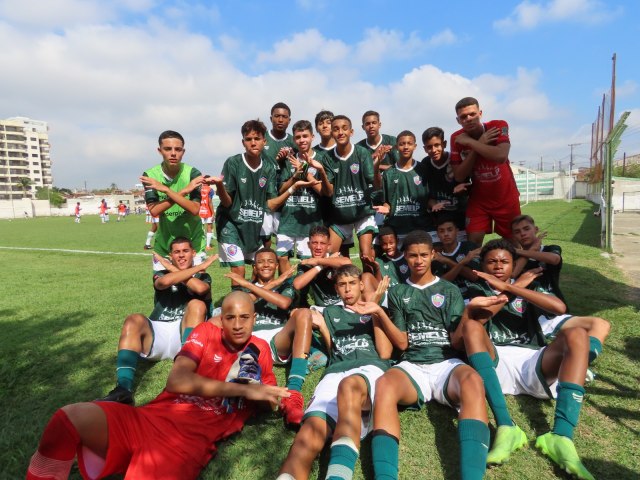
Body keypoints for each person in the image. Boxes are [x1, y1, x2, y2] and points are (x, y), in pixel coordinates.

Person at [26, 291, 288, 480]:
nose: (238, 324)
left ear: (254, 318)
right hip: (145, 419)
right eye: (230, 317)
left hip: (182, 445)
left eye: (245, 317)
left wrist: (260, 391)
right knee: (68, 419)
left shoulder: (261, 350)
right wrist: (241, 389)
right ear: (221, 319)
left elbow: (268, 401)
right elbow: (177, 381)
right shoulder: (206, 332)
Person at [457, 239, 596, 479]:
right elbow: (472, 326)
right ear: (483, 265)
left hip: (533, 361)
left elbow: (559, 307)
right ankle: (506, 426)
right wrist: (503, 292)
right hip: (495, 361)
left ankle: (561, 436)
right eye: (492, 261)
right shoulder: (476, 290)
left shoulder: (527, 287)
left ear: (513, 265)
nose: (498, 266)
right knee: (470, 327)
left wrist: (513, 288)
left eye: (504, 262)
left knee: (577, 333)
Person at [371, 230, 494, 480]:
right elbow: (403, 343)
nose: (418, 261)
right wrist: (380, 313)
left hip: (446, 362)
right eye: (413, 256)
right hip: (412, 365)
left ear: (433, 255)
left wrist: (470, 314)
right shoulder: (397, 293)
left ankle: (473, 475)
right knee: (383, 384)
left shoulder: (449, 290)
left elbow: (456, 342)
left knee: (472, 381)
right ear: (405, 257)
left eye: (424, 255)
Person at [277, 265, 396, 480]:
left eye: (352, 283)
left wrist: (375, 310)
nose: (348, 289)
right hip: (335, 372)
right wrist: (323, 328)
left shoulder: (376, 310)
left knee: (349, 386)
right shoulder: (331, 312)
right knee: (309, 431)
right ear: (337, 289)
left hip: (368, 369)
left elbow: (385, 353)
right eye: (342, 285)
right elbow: (336, 350)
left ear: (361, 285)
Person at [100, 237, 215, 405]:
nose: (181, 255)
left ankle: (185, 373)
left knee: (197, 304)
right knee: (133, 319)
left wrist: (190, 269)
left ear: (193, 253)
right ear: (171, 255)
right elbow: (165, 282)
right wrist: (181, 268)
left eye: (185, 251)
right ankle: (123, 390)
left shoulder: (203, 277)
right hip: (158, 333)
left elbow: (200, 289)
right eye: (177, 252)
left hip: (186, 337)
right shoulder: (161, 273)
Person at [209, 120, 315, 285]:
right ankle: (236, 308)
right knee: (238, 269)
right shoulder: (233, 163)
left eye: (257, 138)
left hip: (253, 226)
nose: (253, 142)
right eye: (248, 139)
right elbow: (227, 202)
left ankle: (251, 305)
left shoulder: (269, 168)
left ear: (264, 141)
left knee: (258, 272)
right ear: (243, 142)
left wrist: (293, 187)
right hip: (230, 225)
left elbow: (271, 205)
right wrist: (219, 187)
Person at [221, 247, 314, 428]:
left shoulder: (286, 285)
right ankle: (241, 393)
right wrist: (252, 285)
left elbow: (284, 302)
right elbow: (239, 304)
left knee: (303, 313)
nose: (265, 265)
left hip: (277, 339)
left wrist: (253, 286)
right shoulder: (241, 286)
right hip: (250, 341)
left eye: (270, 261)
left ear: (277, 265)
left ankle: (293, 393)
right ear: (254, 267)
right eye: (260, 261)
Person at [510, 215, 610, 361]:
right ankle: (575, 362)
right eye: (517, 232)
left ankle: (583, 360)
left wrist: (522, 251)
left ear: (535, 230)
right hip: (526, 315)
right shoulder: (512, 258)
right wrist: (528, 250)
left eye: (526, 229)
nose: (522, 234)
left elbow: (554, 259)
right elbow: (513, 273)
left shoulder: (551, 249)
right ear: (513, 236)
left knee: (600, 324)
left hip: (553, 312)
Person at [449, 97, 520, 246]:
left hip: (506, 197)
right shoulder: (456, 138)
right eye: (463, 117)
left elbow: (501, 156)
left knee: (513, 242)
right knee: (472, 243)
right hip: (479, 200)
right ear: (458, 120)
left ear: (480, 113)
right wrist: (478, 145)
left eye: (472, 114)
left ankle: (519, 269)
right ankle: (476, 270)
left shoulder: (497, 126)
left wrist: (470, 143)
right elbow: (460, 175)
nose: (468, 119)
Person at [140, 130, 206, 268]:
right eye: (168, 149)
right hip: (164, 246)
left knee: (199, 289)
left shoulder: (192, 173)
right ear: (160, 151)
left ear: (183, 151)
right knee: (164, 287)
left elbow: (194, 209)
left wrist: (166, 190)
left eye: (178, 149)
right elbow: (154, 210)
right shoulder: (150, 175)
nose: (173, 153)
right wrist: (182, 192)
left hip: (193, 245)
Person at [323, 114, 381, 264]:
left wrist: (376, 167)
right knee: (331, 256)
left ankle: (371, 286)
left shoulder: (362, 153)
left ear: (352, 132)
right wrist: (322, 172)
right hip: (340, 215)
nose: (340, 132)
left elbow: (375, 185)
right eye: (336, 129)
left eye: (344, 128)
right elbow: (328, 192)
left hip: (362, 212)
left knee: (366, 255)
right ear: (332, 133)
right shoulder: (327, 157)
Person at [276, 119, 331, 273]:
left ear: (312, 136)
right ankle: (287, 292)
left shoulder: (321, 159)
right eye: (298, 137)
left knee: (307, 264)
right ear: (294, 139)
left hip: (311, 222)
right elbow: (281, 190)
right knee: (281, 258)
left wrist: (305, 172)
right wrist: (295, 176)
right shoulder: (288, 160)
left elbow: (323, 192)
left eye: (305, 136)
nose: (302, 140)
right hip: (288, 220)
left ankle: (302, 295)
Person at [374, 130, 436, 245]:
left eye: (409, 143)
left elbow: (429, 198)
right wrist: (386, 209)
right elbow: (387, 202)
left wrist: (435, 204)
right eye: (402, 144)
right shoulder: (389, 173)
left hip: (422, 227)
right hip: (398, 229)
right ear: (396, 147)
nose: (406, 147)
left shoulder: (423, 169)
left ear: (415, 146)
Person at [422, 126, 470, 239]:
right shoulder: (425, 164)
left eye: (437, 145)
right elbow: (423, 193)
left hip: (460, 219)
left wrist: (465, 189)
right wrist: (433, 204)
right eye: (429, 147)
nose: (433, 150)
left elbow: (474, 183)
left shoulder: (457, 159)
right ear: (424, 149)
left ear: (444, 144)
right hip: (437, 221)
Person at [261, 102, 297, 249]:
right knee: (265, 237)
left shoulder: (294, 141)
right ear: (271, 118)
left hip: (287, 195)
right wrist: (277, 161)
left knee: (284, 243)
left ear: (289, 120)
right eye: (277, 116)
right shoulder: (261, 139)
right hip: (266, 195)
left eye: (284, 117)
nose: (280, 120)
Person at [431, 216, 481, 298]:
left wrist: (448, 261)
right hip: (452, 300)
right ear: (438, 235)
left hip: (474, 297)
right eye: (442, 231)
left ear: (457, 231)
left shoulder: (469, 247)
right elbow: (440, 284)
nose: (446, 234)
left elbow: (474, 277)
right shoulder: (436, 258)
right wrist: (463, 262)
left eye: (450, 230)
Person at [199, 181, 216, 251]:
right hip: (208, 211)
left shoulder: (199, 189)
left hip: (200, 210)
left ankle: (200, 245)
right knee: (209, 227)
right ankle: (207, 246)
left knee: (200, 228)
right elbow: (209, 202)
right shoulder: (210, 189)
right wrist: (213, 213)